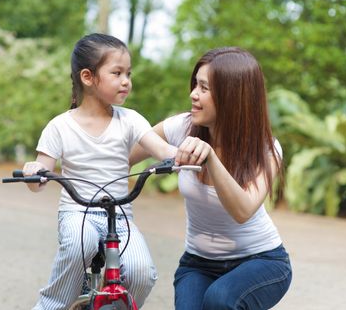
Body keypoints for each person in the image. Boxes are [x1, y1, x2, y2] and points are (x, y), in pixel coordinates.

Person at [23, 33, 178, 310]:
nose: (126, 81)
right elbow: (39, 179)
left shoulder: (130, 120)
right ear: (87, 77)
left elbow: (164, 150)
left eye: (128, 73)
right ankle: (52, 305)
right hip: (77, 212)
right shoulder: (60, 126)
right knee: (78, 246)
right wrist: (34, 171)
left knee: (142, 273)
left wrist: (184, 154)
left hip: (120, 216)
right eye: (117, 73)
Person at [130, 47, 292, 309]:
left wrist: (212, 160)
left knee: (219, 300)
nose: (193, 94)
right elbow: (123, 157)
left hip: (261, 261)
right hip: (198, 264)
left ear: (232, 97)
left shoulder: (266, 148)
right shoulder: (181, 127)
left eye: (204, 88)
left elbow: (243, 210)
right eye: (195, 84)